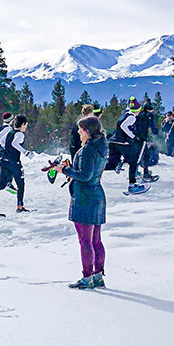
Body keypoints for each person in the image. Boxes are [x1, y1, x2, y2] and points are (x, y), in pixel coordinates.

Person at [54, 115, 108, 289]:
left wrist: (65, 170)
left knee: (85, 240)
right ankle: (98, 275)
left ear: (87, 131)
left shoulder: (88, 150)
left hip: (85, 198)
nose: (78, 133)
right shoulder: (100, 146)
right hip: (97, 195)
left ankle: (87, 277)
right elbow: (88, 171)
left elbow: (85, 175)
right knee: (96, 240)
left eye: (80, 130)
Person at [0, 114, 34, 211]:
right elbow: (14, 143)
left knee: (2, 184)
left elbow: (2, 141)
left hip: (4, 161)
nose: (26, 127)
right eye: (26, 125)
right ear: (23, 124)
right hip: (14, 163)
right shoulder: (20, 134)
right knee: (20, 185)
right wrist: (26, 153)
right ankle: (20, 207)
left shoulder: (9, 132)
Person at [132, 102, 159, 183]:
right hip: (142, 137)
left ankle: (135, 172)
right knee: (145, 155)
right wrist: (156, 131)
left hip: (135, 137)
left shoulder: (139, 114)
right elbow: (153, 128)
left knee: (137, 155)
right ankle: (145, 174)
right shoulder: (149, 115)